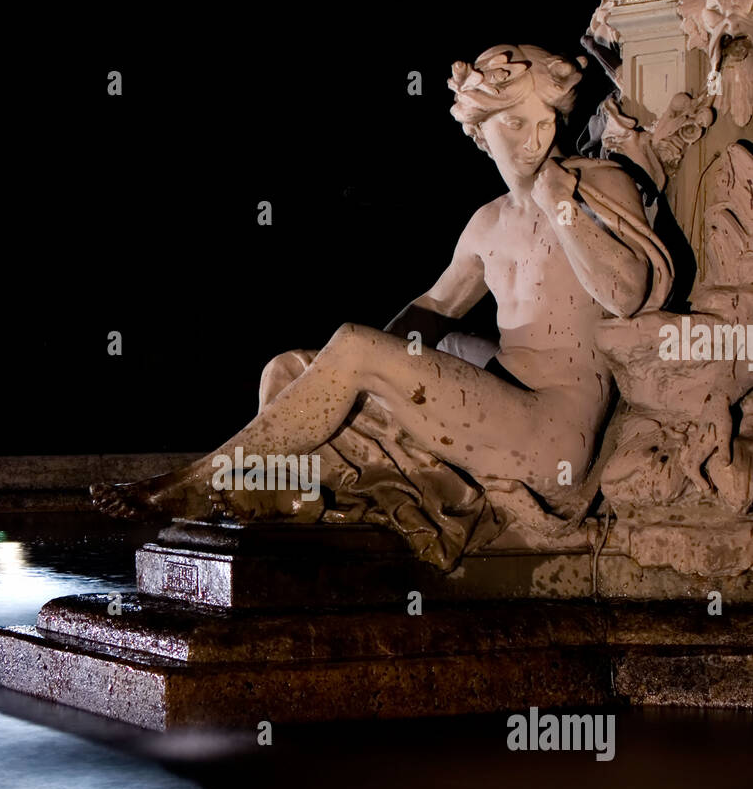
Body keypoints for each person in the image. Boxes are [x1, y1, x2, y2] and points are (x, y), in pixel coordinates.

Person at [93, 44, 672, 536]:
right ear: (479, 131)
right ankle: (290, 495)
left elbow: (626, 293)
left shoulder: (597, 185)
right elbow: (437, 307)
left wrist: (560, 206)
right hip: (497, 406)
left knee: (353, 347)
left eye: (538, 121)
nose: (531, 138)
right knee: (290, 369)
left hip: (551, 434)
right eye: (511, 123)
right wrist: (351, 372)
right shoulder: (488, 222)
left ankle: (196, 481)